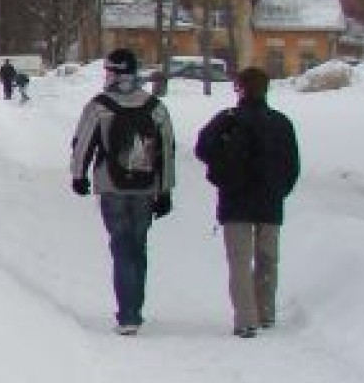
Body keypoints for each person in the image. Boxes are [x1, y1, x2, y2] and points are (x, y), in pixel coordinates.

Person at [70, 47, 176, 335]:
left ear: (112, 73)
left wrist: (78, 176)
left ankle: (127, 314)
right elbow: (166, 150)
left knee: (121, 247)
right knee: (138, 247)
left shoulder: (99, 106)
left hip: (111, 185)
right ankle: (135, 309)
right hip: (145, 188)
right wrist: (165, 190)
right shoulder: (155, 107)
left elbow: (82, 144)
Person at [193, 67, 301, 338]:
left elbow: (202, 149)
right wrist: (280, 190)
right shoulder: (281, 123)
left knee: (239, 262)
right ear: (266, 89)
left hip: (235, 201)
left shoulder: (227, 120)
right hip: (270, 201)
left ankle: (245, 319)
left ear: (239, 88)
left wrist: (220, 176)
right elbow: (292, 165)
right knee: (268, 260)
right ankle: (266, 312)